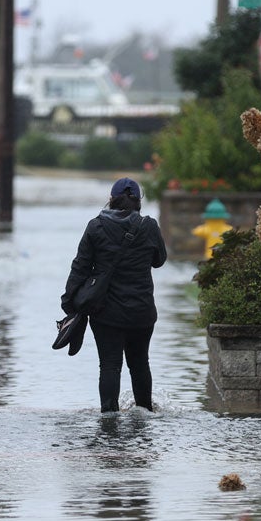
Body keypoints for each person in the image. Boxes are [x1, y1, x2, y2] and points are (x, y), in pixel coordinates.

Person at [62, 177, 167, 413]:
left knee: (109, 365)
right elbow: (159, 261)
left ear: (111, 199)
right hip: (142, 311)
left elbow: (80, 267)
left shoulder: (96, 226)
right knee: (140, 363)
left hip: (106, 312)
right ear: (138, 201)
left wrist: (69, 302)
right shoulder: (149, 226)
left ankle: (109, 419)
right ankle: (144, 413)